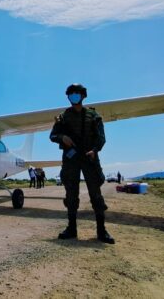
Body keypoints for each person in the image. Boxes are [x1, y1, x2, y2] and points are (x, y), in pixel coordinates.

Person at [50, 84, 115, 244]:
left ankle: (101, 230)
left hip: (89, 157)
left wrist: (94, 150)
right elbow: (53, 135)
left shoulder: (93, 115)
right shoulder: (63, 116)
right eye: (71, 94)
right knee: (71, 194)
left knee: (96, 195)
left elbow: (101, 138)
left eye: (76, 93)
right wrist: (62, 138)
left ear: (83, 95)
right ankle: (71, 229)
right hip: (71, 159)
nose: (73, 96)